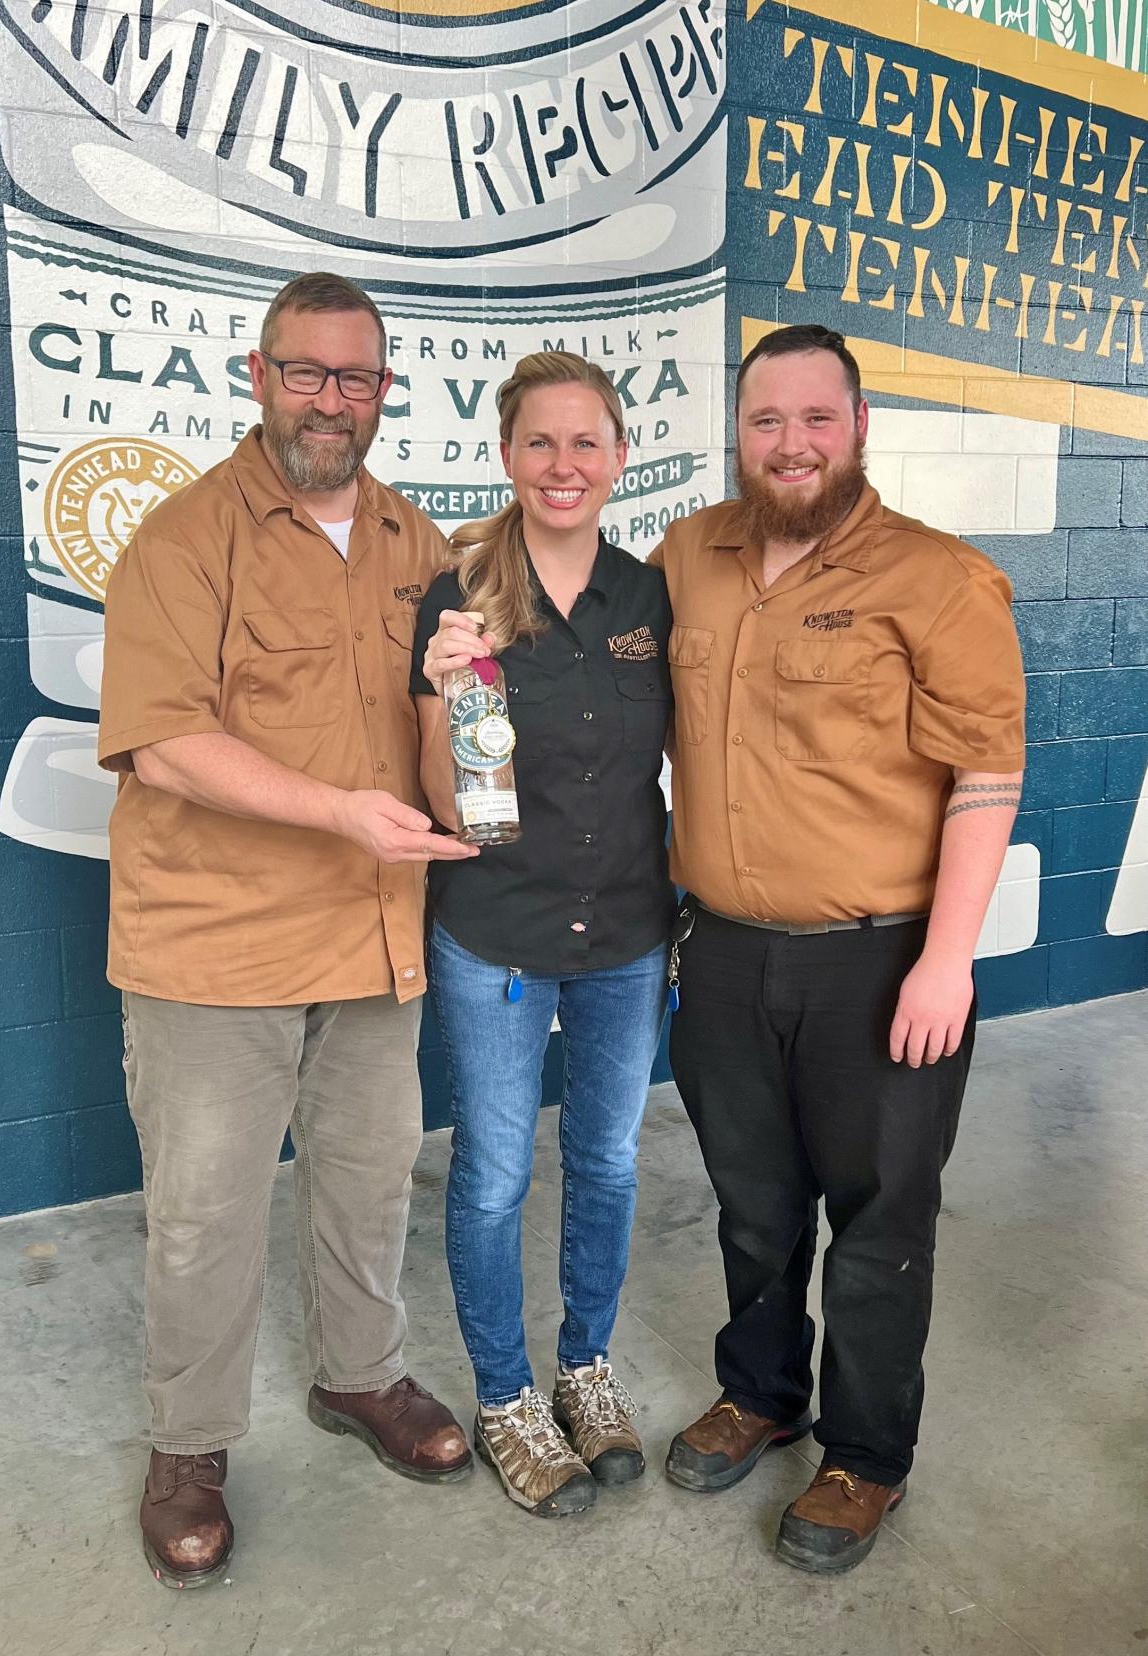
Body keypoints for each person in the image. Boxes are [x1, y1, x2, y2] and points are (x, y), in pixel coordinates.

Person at [97, 272, 478, 1589]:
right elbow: (162, 745)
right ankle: (189, 1445)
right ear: (255, 378)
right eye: (305, 372)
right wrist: (340, 812)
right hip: (216, 945)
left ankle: (358, 1378)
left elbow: (446, 719)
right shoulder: (184, 539)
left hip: (374, 938)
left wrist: (470, 766)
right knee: (205, 1212)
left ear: (384, 393)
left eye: (354, 377)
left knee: (371, 1181)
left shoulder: (417, 542)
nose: (330, 399)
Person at [653, 324, 1025, 1573]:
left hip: (883, 964)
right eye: (767, 421)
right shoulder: (685, 557)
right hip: (722, 955)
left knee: (878, 1223)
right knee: (754, 1209)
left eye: (817, 418)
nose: (792, 442)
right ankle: (762, 1396)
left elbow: (986, 771)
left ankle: (866, 1458)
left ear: (859, 427)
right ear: (738, 433)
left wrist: (948, 959)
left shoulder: (939, 578)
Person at [410, 352, 674, 1517]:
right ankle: (509, 1395)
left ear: (620, 456)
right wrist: (441, 684)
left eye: (586, 443)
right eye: (539, 442)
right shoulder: (459, 591)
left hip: (626, 926)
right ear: (505, 455)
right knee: (497, 1176)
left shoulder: (648, 598)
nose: (563, 465)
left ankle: (585, 1369)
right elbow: (439, 795)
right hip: (497, 932)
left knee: (609, 1162)